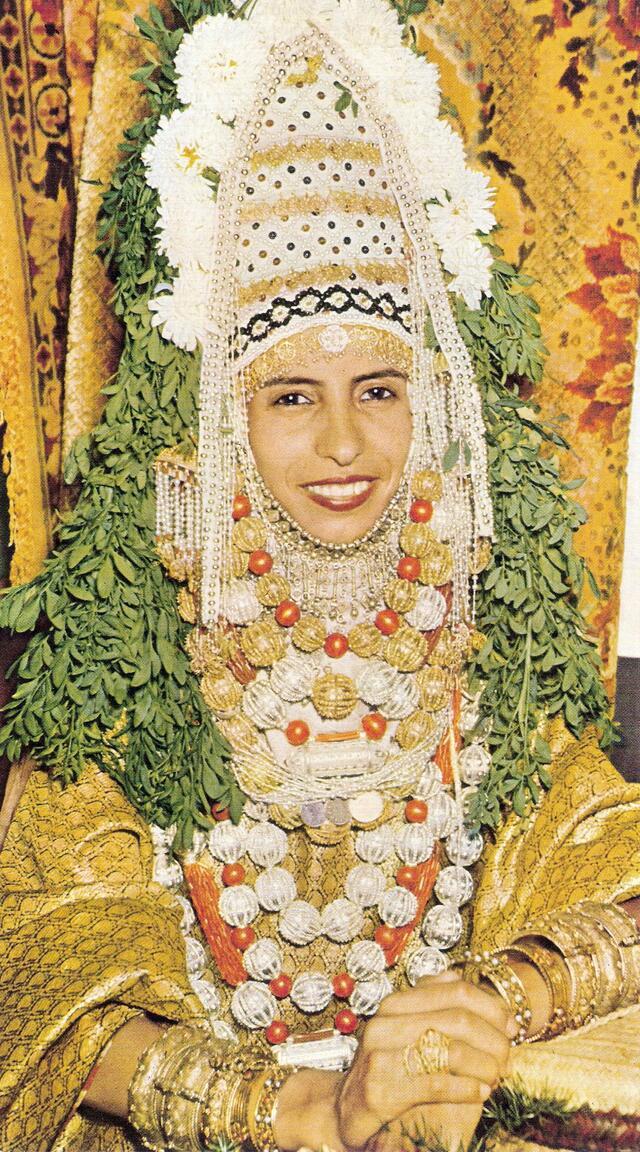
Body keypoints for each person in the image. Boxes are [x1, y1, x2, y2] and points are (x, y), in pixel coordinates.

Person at [0, 2, 639, 1151]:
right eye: (292, 394)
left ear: (433, 401)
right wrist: (296, 1110)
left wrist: (489, 1008)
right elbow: (45, 972)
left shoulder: (481, 640)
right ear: (218, 419)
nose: (344, 444)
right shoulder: (132, 646)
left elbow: (613, 866)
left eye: (379, 388)